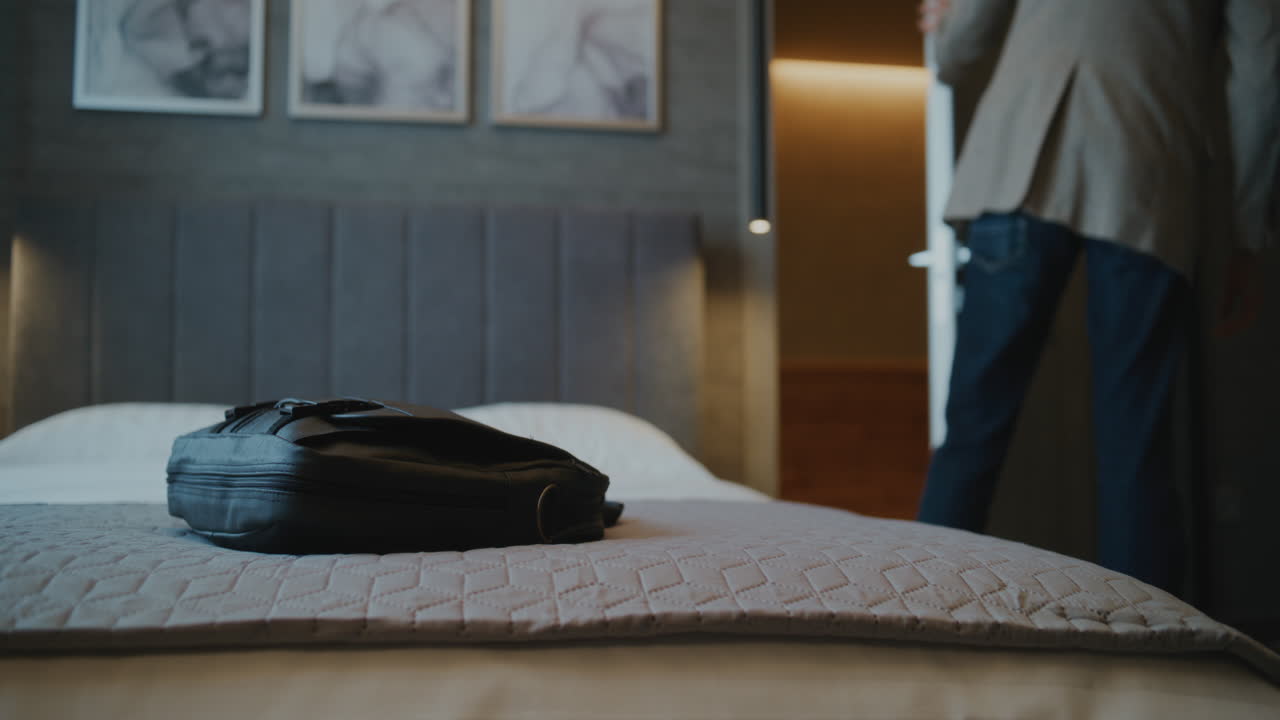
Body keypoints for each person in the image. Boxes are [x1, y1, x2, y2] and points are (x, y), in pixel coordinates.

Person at [914, 0, 1278, 593]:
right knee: (1136, 443)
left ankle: (922, 612)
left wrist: (946, 23)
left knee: (973, 426)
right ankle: (1147, 653)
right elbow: (1262, 77)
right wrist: (1245, 234)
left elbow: (958, 50)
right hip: (1148, 168)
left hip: (1022, 161)